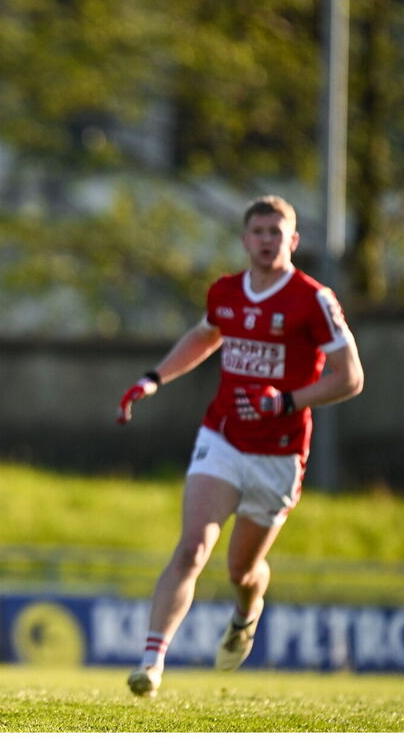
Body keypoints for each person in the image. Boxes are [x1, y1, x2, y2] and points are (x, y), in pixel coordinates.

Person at [116, 195, 364, 697]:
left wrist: (286, 401)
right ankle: (151, 662)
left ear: (293, 240)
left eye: (278, 232)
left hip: (279, 453)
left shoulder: (313, 299)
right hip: (223, 437)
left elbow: (350, 378)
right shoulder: (226, 291)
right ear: (244, 239)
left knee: (241, 569)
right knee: (192, 547)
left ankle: (248, 611)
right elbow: (206, 336)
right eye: (259, 231)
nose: (267, 240)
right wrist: (152, 378)